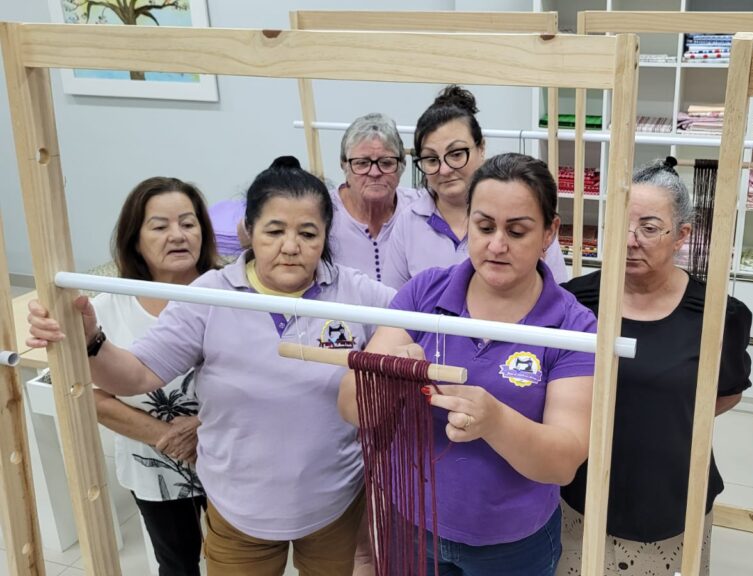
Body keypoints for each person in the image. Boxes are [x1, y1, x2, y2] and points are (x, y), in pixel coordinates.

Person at [28, 157, 396, 576]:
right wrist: (91, 340)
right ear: (249, 230)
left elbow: (417, 317)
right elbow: (136, 375)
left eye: (308, 233)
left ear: (326, 235)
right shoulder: (211, 295)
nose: (291, 246)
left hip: (333, 504)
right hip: (238, 509)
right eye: (274, 231)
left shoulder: (354, 292)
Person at [340, 152, 596, 575]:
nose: (497, 245)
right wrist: (386, 380)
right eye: (484, 227)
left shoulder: (572, 326)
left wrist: (495, 422)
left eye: (517, 231)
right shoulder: (426, 293)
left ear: (550, 232)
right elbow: (351, 406)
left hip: (514, 546)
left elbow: (563, 461)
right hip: (411, 525)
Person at [556, 157, 753, 576]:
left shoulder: (719, 314)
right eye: (621, 226)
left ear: (682, 235)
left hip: (673, 497)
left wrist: (663, 414)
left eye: (648, 228)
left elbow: (726, 393)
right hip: (580, 494)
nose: (630, 241)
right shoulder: (572, 302)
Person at [93, 176, 219, 576]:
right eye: (160, 226)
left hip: (230, 456)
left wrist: (203, 427)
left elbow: (264, 377)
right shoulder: (106, 307)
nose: (177, 235)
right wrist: (168, 437)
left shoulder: (232, 295)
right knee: (177, 563)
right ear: (135, 240)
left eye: (188, 223)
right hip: (153, 465)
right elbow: (92, 397)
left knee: (236, 562)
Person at [380, 85, 568, 289]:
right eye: (431, 160)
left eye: (456, 154)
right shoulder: (409, 222)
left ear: (481, 148)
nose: (445, 170)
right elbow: (394, 301)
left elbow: (558, 292)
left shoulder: (521, 213)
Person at [236, 113, 419, 282]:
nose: (374, 172)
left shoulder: (418, 209)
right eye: (362, 163)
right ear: (344, 166)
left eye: (386, 163)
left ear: (402, 165)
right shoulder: (320, 208)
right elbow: (250, 230)